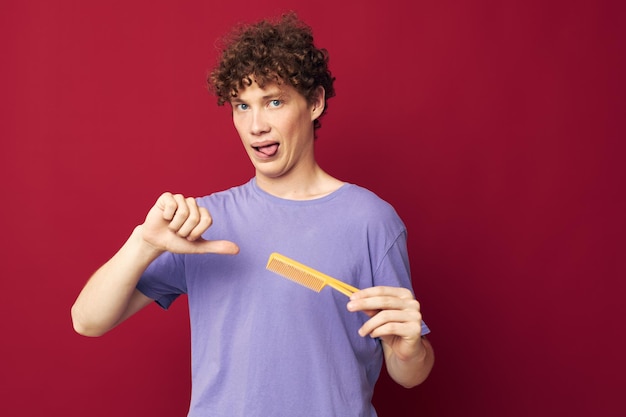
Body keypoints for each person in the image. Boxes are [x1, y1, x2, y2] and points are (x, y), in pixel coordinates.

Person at [71, 13, 434, 417]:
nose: (255, 125)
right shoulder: (202, 223)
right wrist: (142, 242)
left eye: (273, 101)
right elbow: (87, 321)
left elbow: (409, 373)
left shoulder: (372, 221)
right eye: (242, 105)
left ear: (314, 102)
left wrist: (410, 349)